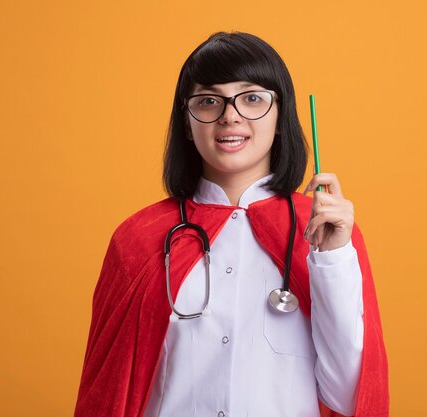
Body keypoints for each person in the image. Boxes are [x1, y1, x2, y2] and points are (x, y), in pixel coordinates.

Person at [74, 32, 388, 417]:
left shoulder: (326, 233)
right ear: (187, 123)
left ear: (280, 116)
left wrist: (333, 260)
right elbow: (106, 393)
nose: (230, 115)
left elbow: (349, 398)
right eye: (208, 101)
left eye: (252, 97)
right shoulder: (136, 239)